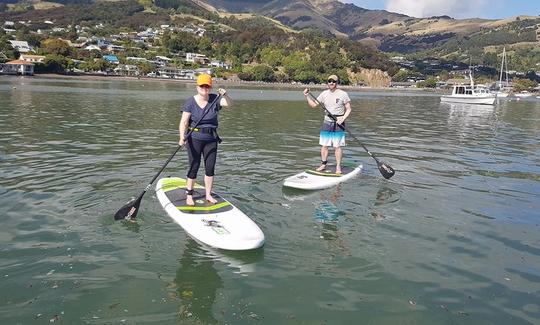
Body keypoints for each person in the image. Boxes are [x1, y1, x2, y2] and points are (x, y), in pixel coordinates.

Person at [179, 74, 232, 206]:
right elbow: (184, 122)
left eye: (207, 86)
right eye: (202, 86)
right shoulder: (190, 102)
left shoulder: (215, 99)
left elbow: (229, 104)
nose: (204, 88)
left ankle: (208, 194)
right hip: (194, 138)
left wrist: (225, 95)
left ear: (210, 87)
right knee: (194, 166)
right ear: (197, 87)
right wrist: (182, 137)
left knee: (210, 168)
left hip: (211, 139)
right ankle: (189, 195)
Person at [303, 74, 351, 174]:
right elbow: (313, 105)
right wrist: (307, 96)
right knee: (324, 145)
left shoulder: (343, 94)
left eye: (334, 81)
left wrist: (343, 118)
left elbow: (349, 109)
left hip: (339, 122)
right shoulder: (324, 94)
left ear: (337, 83)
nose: (331, 83)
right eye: (329, 81)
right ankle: (323, 164)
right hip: (327, 122)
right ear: (327, 82)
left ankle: (338, 167)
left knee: (337, 146)